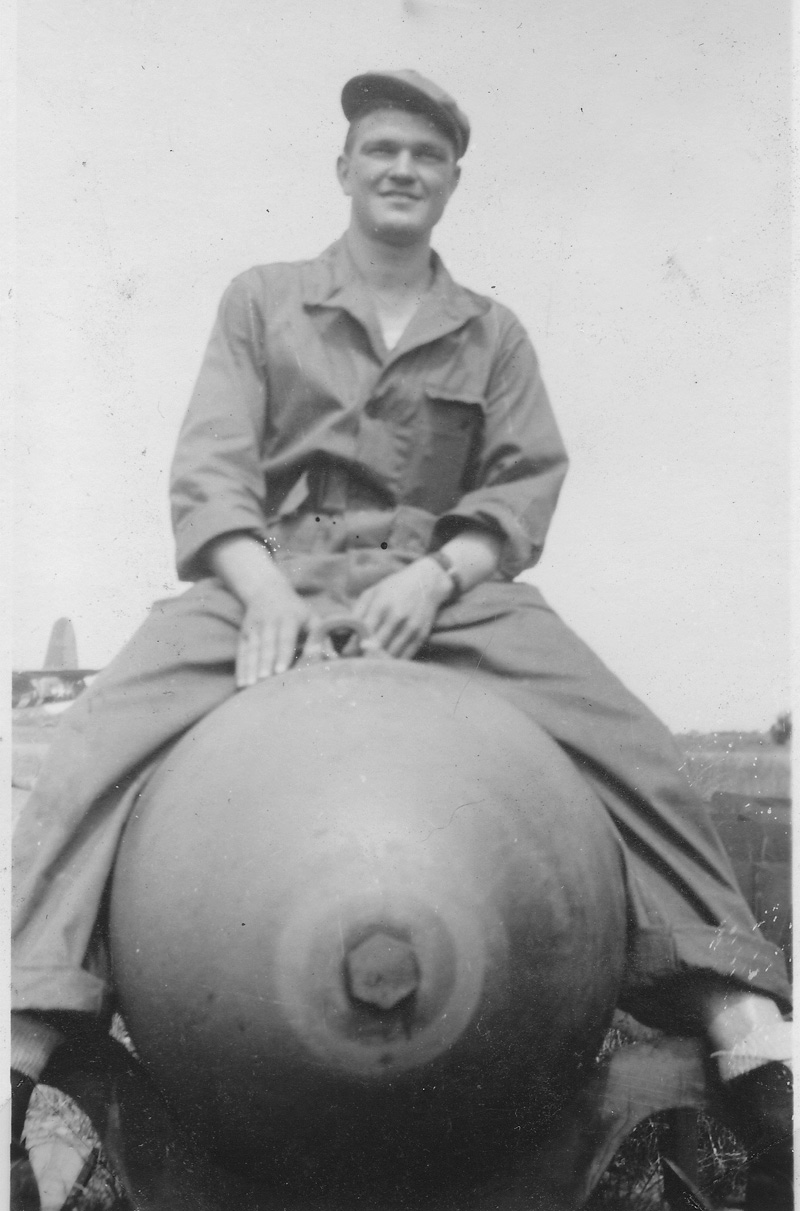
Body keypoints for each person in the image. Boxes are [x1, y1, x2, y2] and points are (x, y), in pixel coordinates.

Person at [11, 70, 792, 1210]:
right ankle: (20, 1036)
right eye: (379, 149)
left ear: (450, 182)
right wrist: (259, 585)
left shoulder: (490, 332)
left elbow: (522, 485)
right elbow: (210, 466)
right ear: (343, 168)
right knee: (103, 736)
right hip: (271, 571)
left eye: (423, 156)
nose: (399, 170)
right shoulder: (262, 300)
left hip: (437, 586)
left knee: (626, 738)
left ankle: (744, 1023)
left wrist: (439, 573)